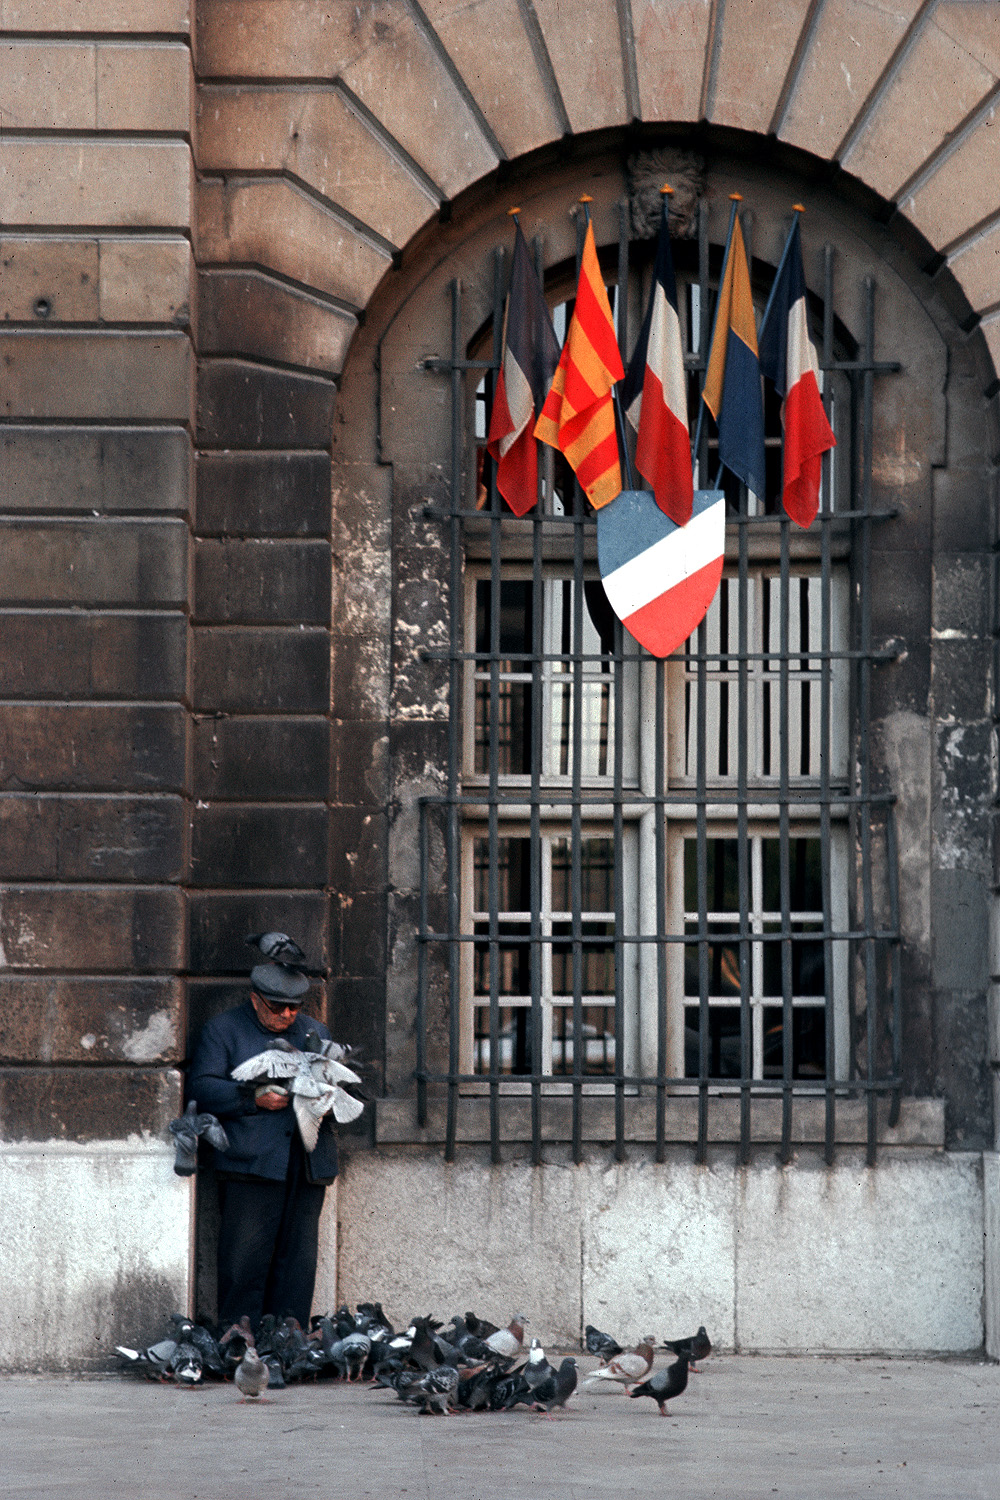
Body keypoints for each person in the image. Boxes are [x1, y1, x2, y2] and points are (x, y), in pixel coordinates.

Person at [187, 950, 338, 1333]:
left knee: (298, 1261)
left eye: (294, 1007)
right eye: (277, 1007)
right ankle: (240, 1343)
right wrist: (251, 1098)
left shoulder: (315, 1032)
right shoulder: (224, 1030)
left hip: (306, 1163)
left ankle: (289, 1345)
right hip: (250, 1163)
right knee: (243, 1261)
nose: (287, 1015)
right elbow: (202, 1087)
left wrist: (327, 1098)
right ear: (255, 998)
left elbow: (338, 1084)